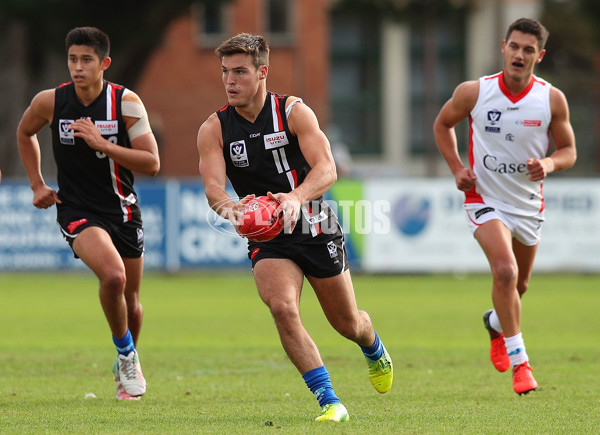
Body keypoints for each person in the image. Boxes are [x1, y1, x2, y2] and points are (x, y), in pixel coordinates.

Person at [197, 33, 393, 422]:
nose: (229, 80)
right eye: (225, 72)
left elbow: (327, 169)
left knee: (347, 323)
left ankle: (372, 347)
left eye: (239, 71)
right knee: (283, 309)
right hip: (267, 237)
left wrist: (294, 198)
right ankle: (330, 402)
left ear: (262, 72)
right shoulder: (215, 128)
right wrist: (233, 211)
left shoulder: (293, 113)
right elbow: (213, 188)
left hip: (314, 223)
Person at [433, 18, 576, 395]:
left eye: (529, 49)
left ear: (539, 55)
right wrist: (457, 169)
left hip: (528, 204)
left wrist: (547, 164)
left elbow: (568, 151)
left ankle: (496, 324)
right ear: (504, 47)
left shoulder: (550, 99)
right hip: (484, 199)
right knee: (506, 271)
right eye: (514, 46)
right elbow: (442, 124)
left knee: (520, 284)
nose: (520, 54)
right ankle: (521, 365)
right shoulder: (475, 92)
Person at [17, 27, 159, 400]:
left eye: (86, 60)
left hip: (123, 211)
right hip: (77, 210)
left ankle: (125, 364)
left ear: (104, 63)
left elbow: (152, 163)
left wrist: (101, 144)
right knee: (113, 277)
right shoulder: (51, 102)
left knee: (132, 304)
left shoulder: (125, 103)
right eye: (72, 59)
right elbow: (24, 132)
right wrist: (37, 184)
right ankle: (127, 355)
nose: (77, 67)